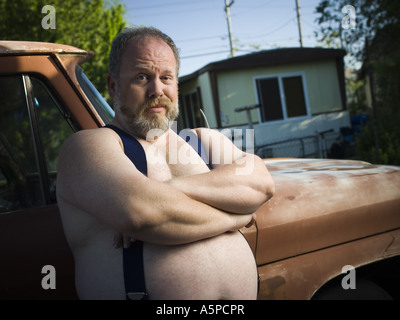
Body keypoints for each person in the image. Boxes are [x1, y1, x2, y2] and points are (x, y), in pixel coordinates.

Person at [56, 26, 275, 300]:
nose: (156, 90)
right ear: (114, 86)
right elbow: (140, 213)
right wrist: (238, 216)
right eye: (142, 77)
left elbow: (261, 184)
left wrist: (164, 190)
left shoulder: (203, 140)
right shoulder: (90, 145)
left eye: (166, 77)